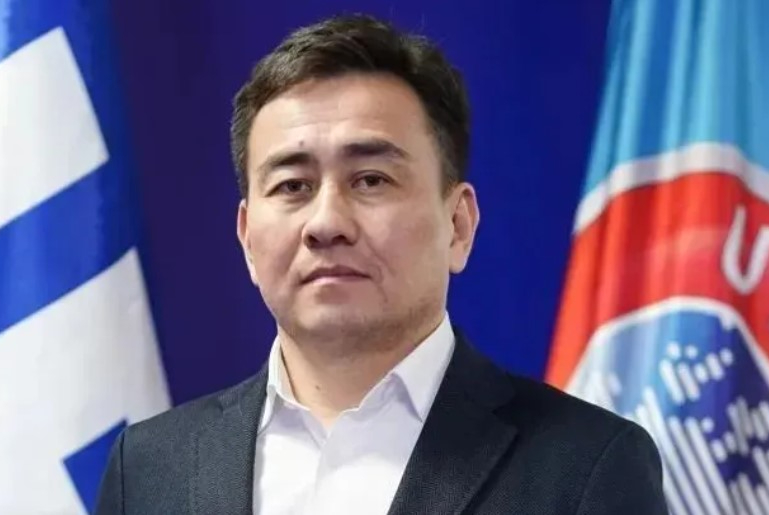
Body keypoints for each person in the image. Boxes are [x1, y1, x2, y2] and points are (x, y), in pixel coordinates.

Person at [95, 13, 666, 515]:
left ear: (458, 225)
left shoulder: (585, 466)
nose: (326, 223)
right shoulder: (148, 468)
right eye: (292, 186)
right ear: (247, 237)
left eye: (370, 180)